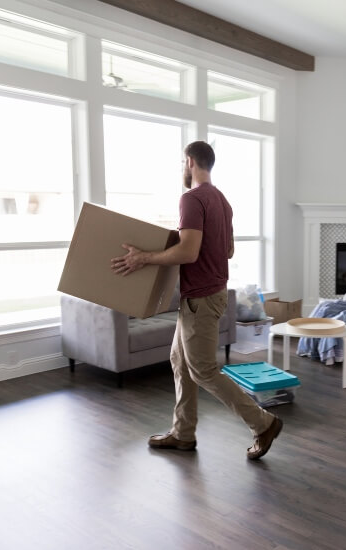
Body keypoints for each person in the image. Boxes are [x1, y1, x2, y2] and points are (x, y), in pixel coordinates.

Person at [111, 141, 282, 461]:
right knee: (179, 361)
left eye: (182, 162)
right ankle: (183, 433)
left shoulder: (191, 199)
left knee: (202, 370)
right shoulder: (222, 200)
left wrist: (144, 258)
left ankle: (263, 422)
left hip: (200, 298)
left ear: (189, 161)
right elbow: (227, 250)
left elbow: (189, 252)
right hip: (211, 295)